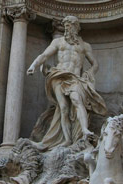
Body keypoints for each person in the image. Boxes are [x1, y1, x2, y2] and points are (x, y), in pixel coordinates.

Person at [27, 16, 107, 149]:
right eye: (66, 27)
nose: (67, 30)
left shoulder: (84, 45)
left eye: (69, 27)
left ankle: (85, 130)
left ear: (76, 28)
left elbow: (95, 63)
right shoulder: (58, 42)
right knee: (63, 108)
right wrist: (33, 65)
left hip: (75, 78)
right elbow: (45, 55)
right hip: (58, 76)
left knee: (77, 100)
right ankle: (67, 139)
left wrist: (90, 73)